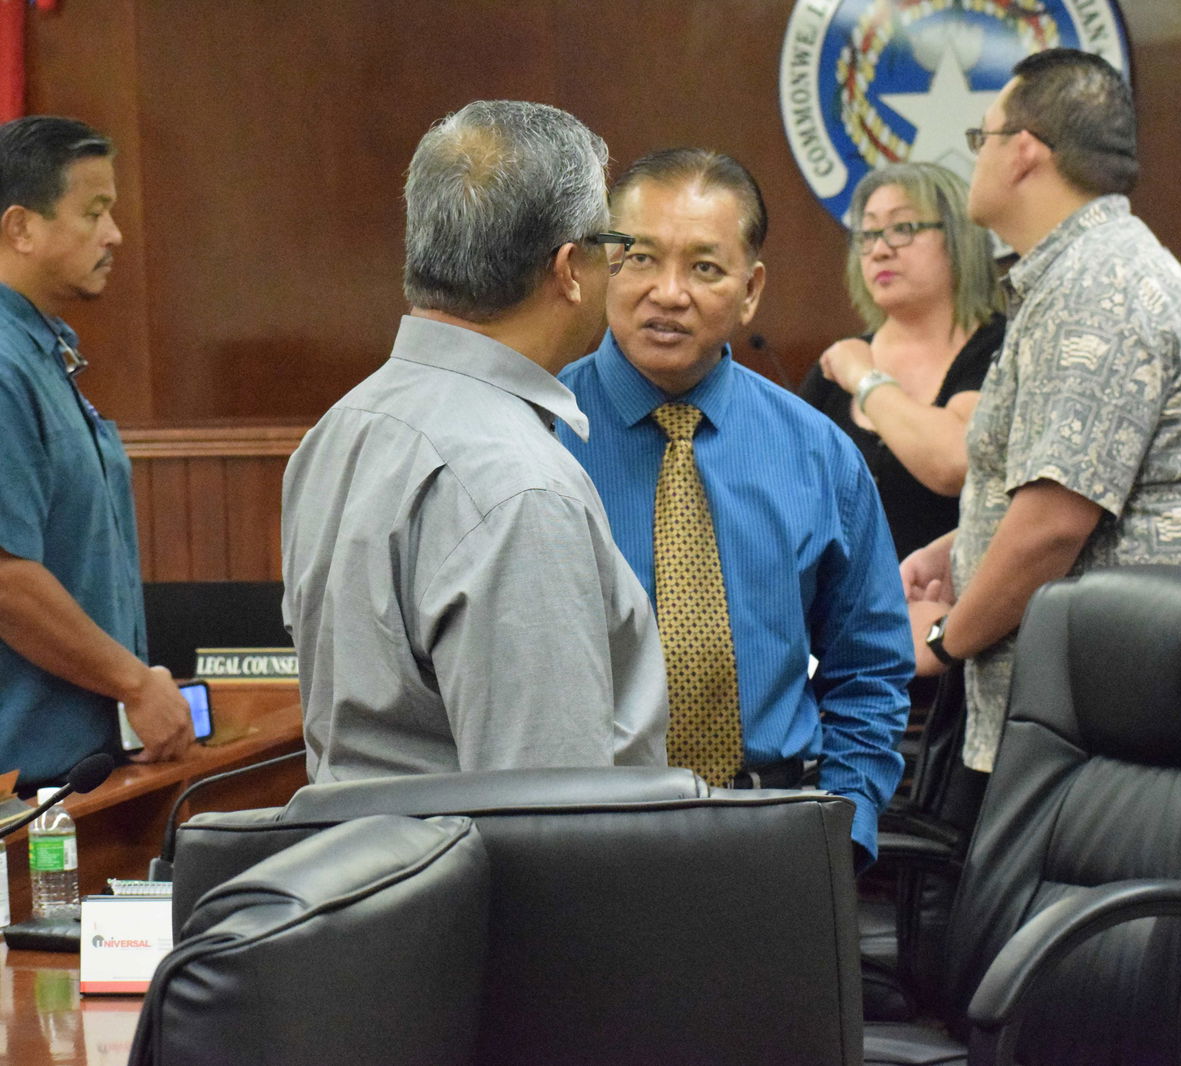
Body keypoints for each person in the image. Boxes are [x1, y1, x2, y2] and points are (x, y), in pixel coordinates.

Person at [896, 49, 1181, 1059]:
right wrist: (956, 543)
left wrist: (943, 634)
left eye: (980, 139)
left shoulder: (1097, 285)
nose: (972, 159)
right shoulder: (1075, 276)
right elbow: (1062, 489)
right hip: (1106, 706)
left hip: (1117, 715)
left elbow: (1056, 524)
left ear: (1024, 152)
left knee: (1112, 994)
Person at [280, 100, 667, 780]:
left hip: (363, 874)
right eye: (616, 247)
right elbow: (548, 813)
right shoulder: (519, 487)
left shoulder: (339, 429)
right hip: (471, 883)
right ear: (571, 268)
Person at [557, 148, 912, 864]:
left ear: (750, 291)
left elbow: (869, 667)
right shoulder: (538, 437)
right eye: (641, 260)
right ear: (601, 266)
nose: (668, 292)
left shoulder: (818, 453)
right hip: (584, 839)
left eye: (705, 268)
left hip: (778, 833)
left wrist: (845, 830)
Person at [0, 115, 191, 790]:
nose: (115, 235)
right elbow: (6, 580)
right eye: (95, 213)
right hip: (22, 787)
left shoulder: (43, 348)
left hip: (73, 774)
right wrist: (133, 682)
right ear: (20, 228)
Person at [799, 161, 1005, 561]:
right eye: (869, 233)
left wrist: (864, 378)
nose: (879, 249)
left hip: (954, 604)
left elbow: (954, 462)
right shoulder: (836, 364)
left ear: (959, 237)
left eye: (902, 228)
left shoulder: (1000, 347)